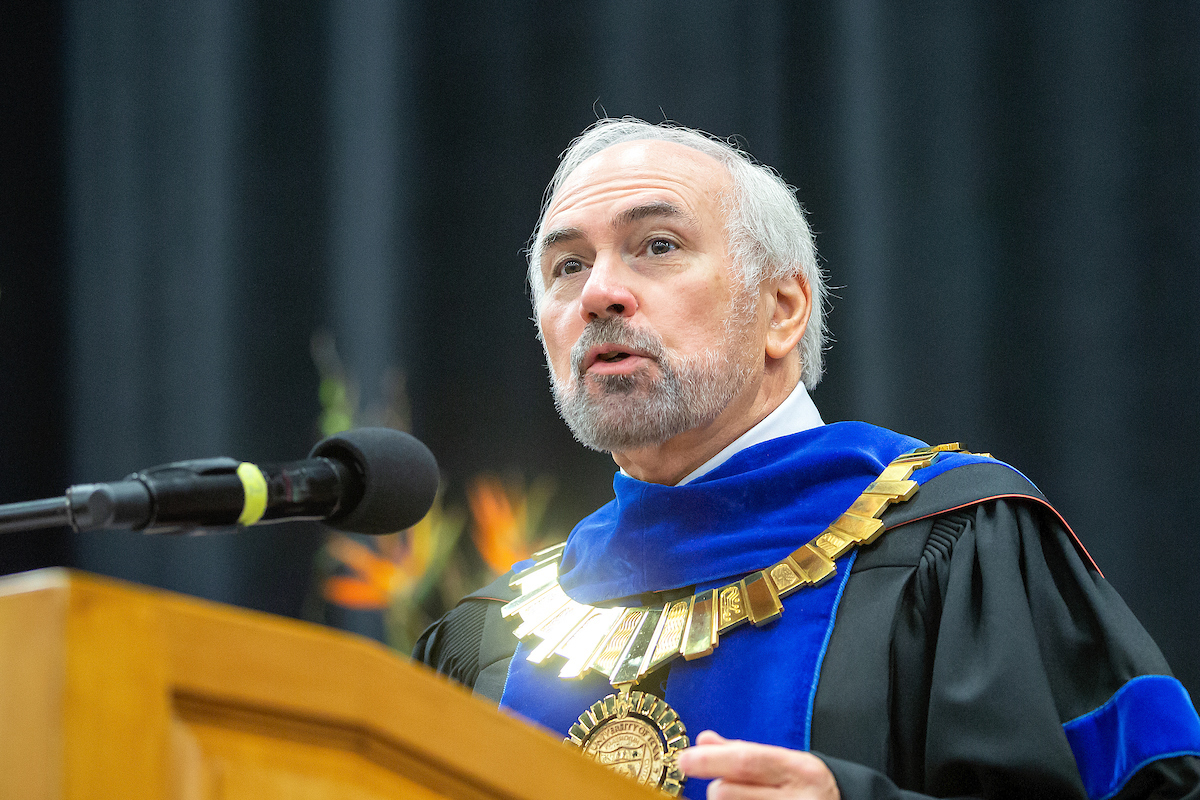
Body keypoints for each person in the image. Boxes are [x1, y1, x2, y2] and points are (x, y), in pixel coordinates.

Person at [414, 118, 1200, 800]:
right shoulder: (495, 637)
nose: (599, 294)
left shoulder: (955, 541)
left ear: (782, 311)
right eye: (568, 266)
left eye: (657, 246)